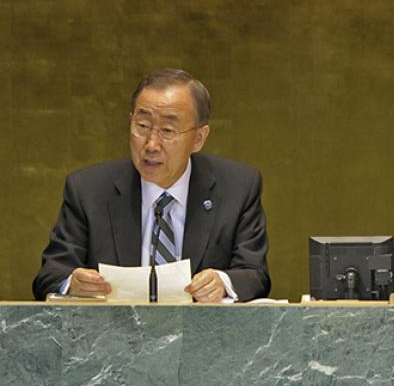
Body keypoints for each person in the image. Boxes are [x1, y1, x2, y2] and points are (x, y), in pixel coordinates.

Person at [33, 68, 270, 302]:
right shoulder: (88, 189)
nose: (151, 144)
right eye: (142, 126)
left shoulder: (237, 188)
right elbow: (50, 275)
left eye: (167, 130)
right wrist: (72, 283)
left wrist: (222, 283)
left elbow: (255, 274)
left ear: (198, 138)